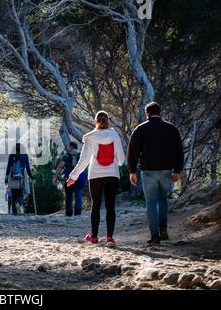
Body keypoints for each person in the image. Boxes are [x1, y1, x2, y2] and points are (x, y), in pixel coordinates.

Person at [127, 102, 184, 245]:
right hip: (166, 170)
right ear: (160, 112)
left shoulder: (140, 129)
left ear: (147, 113)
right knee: (163, 199)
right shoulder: (171, 129)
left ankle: (154, 235)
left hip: (148, 171)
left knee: (151, 203)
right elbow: (179, 151)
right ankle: (163, 229)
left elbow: (132, 151)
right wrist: (177, 170)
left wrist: (132, 170)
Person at [67, 111, 125, 247]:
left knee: (96, 205)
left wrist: (72, 177)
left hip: (95, 176)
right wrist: (115, 161)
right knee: (111, 206)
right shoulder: (114, 135)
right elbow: (121, 160)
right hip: (112, 175)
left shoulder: (90, 137)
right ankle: (110, 237)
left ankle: (93, 236)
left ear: (95, 122)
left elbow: (84, 160)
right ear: (108, 121)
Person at [53, 142, 88, 217]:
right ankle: (78, 213)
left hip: (69, 178)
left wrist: (55, 176)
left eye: (68, 146)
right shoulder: (81, 155)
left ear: (71, 147)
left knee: (69, 196)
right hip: (79, 178)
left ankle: (69, 214)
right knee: (79, 196)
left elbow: (60, 166)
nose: (67, 148)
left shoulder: (66, 156)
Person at [5, 143, 34, 215]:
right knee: (21, 193)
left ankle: (14, 212)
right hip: (21, 176)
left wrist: (6, 178)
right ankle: (19, 204)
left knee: (13, 194)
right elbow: (28, 168)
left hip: (13, 176)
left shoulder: (12, 156)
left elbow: (8, 167)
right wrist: (31, 177)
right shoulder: (25, 156)